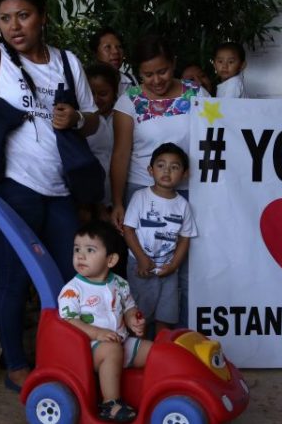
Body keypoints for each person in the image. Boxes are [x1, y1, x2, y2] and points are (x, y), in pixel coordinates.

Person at [0, 0, 100, 391]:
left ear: (42, 18)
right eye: (5, 18)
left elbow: (93, 120)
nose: (14, 26)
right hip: (11, 189)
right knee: (12, 278)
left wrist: (77, 119)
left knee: (72, 280)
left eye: (23, 16)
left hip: (61, 191)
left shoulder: (67, 62)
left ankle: (67, 361)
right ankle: (17, 366)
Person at [111, 35, 208, 329]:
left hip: (190, 192)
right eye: (148, 74)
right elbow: (121, 153)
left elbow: (216, 138)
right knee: (144, 267)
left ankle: (183, 338)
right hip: (142, 193)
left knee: (186, 270)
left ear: (174, 64)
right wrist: (117, 201)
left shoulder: (196, 94)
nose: (156, 80)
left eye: (162, 71)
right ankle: (143, 338)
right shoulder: (129, 101)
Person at [58, 220, 150, 422]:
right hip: (88, 349)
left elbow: (129, 308)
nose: (80, 256)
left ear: (111, 260)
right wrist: (97, 333)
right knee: (112, 350)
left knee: (152, 351)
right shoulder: (73, 290)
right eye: (77, 249)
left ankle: (152, 393)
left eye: (90, 250)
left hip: (121, 341)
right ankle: (110, 404)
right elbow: (68, 321)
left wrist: (133, 320)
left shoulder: (120, 284)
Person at [122, 143, 197, 333]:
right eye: (161, 165)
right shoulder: (140, 197)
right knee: (139, 317)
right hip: (140, 266)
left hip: (168, 270)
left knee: (166, 317)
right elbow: (128, 230)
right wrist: (141, 259)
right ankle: (140, 348)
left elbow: (185, 239)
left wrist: (173, 266)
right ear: (150, 170)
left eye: (174, 167)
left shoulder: (183, 205)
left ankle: (161, 348)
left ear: (185, 174)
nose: (167, 171)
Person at [85, 62, 121, 217]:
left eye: (103, 93)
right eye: (91, 93)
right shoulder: (81, 122)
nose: (96, 99)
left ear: (115, 92)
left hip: (122, 199)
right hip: (90, 202)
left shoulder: (124, 117)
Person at [90, 27, 138, 95]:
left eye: (119, 47)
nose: (116, 51)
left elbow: (139, 102)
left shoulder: (130, 81)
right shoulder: (87, 83)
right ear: (95, 53)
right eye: (108, 47)